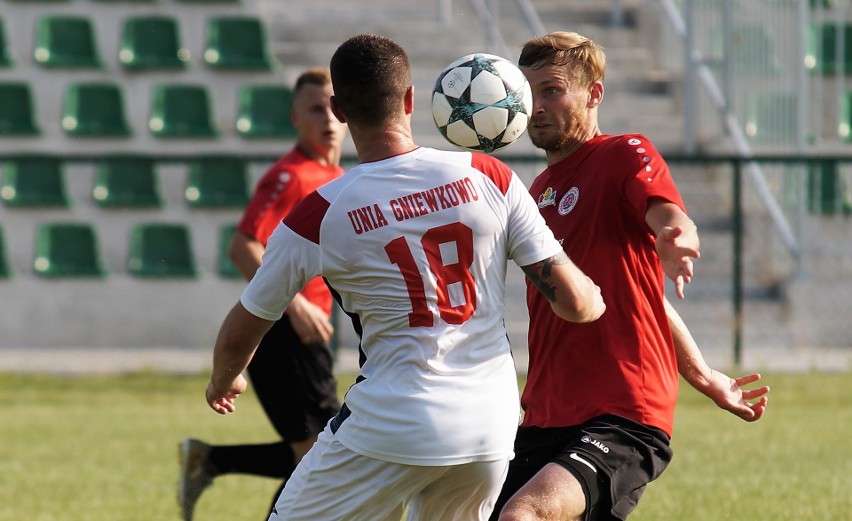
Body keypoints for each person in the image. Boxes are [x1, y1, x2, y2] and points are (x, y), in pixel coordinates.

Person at [204, 33, 606, 521]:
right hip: (488, 426)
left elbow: (243, 328)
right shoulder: (489, 175)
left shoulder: (320, 213)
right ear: (413, 99)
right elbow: (576, 304)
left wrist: (224, 381)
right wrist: (595, 293)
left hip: (391, 422)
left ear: (338, 109)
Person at [490, 31, 771, 521]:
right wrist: (704, 375)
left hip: (621, 411)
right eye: (528, 94)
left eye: (552, 90)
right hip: (546, 414)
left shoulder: (622, 153)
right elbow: (644, 296)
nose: (536, 106)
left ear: (594, 93)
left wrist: (676, 235)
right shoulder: (537, 191)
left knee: (524, 515)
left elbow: (669, 219)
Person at [178, 67, 348, 521]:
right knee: (320, 452)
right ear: (296, 117)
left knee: (319, 450)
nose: (328, 118)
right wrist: (297, 306)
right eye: (316, 108)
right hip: (286, 332)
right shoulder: (290, 176)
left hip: (312, 329)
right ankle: (211, 460)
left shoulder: (334, 174)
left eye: (334, 106)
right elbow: (243, 246)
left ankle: (211, 460)